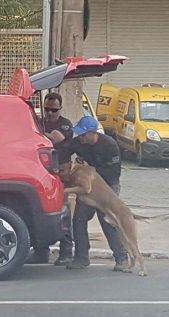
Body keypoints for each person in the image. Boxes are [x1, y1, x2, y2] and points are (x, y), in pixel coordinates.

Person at [64, 115, 131, 272]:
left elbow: (114, 173)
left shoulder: (109, 145)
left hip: (107, 187)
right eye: (79, 134)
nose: (80, 137)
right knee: (79, 218)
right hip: (87, 188)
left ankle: (121, 258)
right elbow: (64, 150)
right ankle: (81, 257)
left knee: (108, 220)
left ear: (93, 133)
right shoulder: (79, 142)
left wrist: (91, 171)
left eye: (83, 134)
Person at [26, 92, 76, 266]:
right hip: (42, 173)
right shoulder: (40, 123)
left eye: (54, 110)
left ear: (60, 109)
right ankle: (41, 251)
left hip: (61, 173)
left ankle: (66, 252)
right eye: (47, 109)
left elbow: (56, 138)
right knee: (40, 211)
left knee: (63, 212)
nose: (49, 113)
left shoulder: (65, 124)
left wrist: (38, 131)